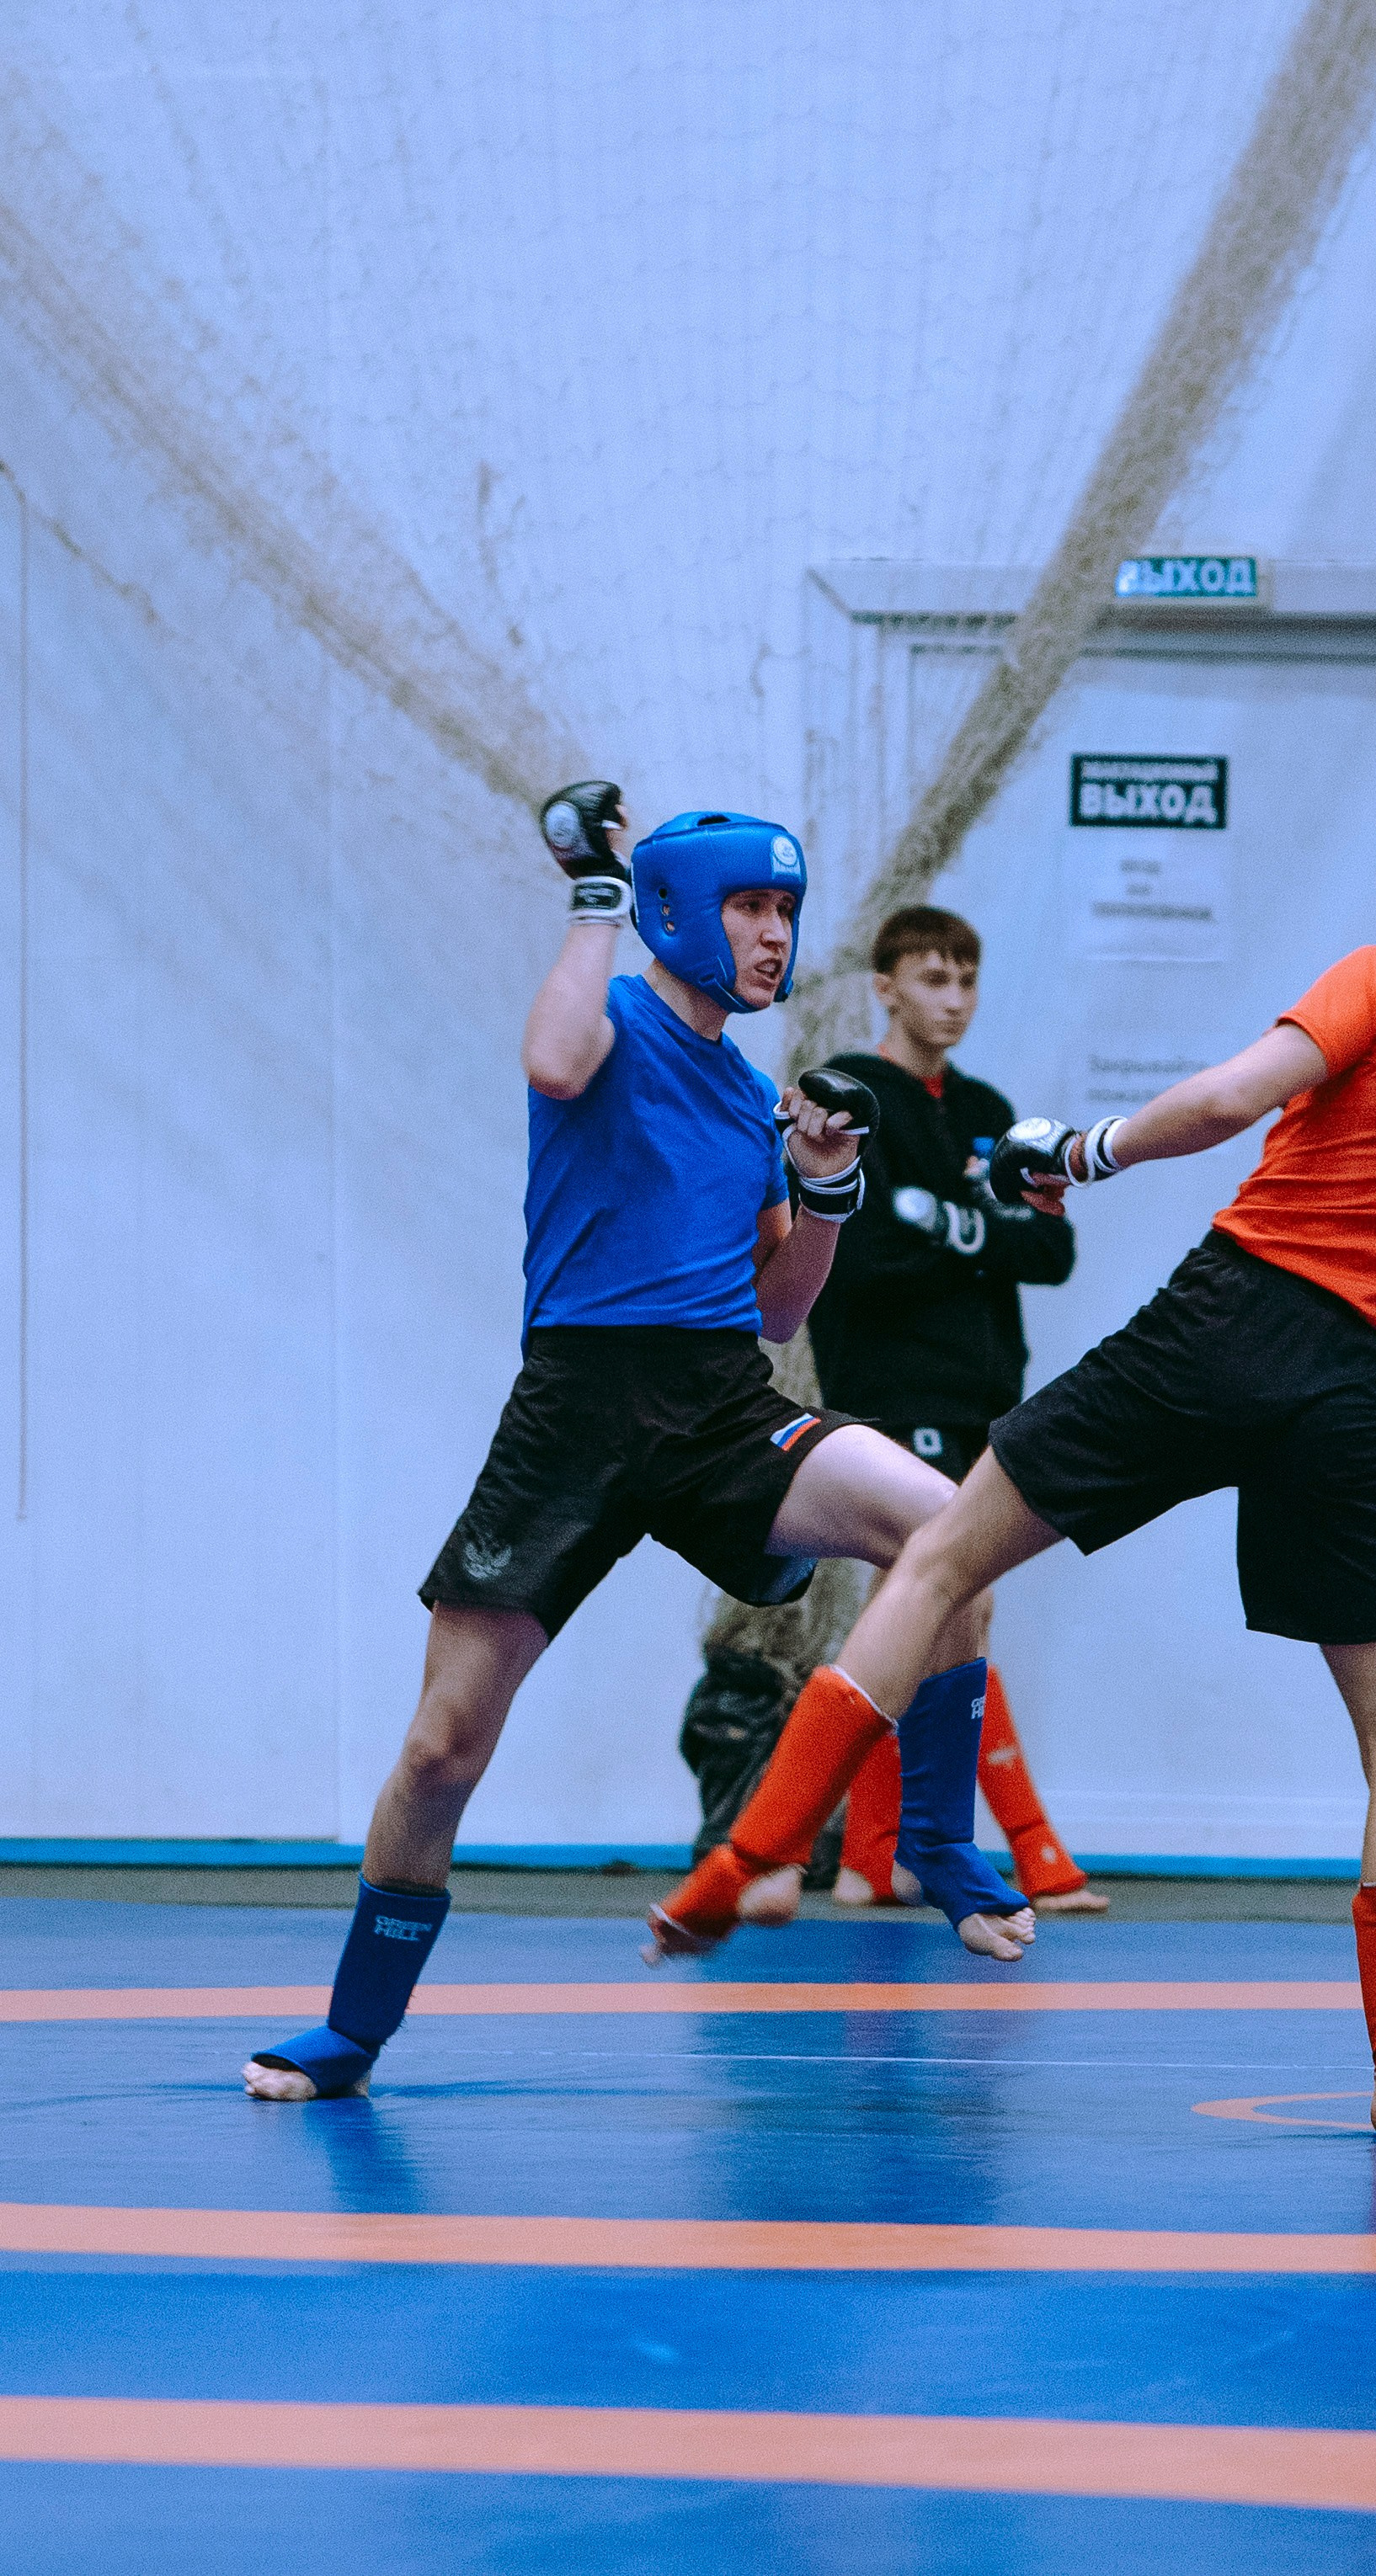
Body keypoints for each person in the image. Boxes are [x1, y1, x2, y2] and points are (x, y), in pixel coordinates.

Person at [653, 793, 1376, 2139]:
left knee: (940, 1558)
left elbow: (1223, 1102)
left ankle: (747, 1857)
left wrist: (1079, 1151)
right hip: (1351, 1389)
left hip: (1220, 1325)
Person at [243, 790, 1035, 2104]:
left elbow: (780, 1306)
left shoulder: (746, 1098)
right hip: (573, 1406)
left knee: (950, 1524)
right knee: (444, 1746)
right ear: (672, 911)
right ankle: (351, 2031)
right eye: (749, 907)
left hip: (720, 1399)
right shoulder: (605, 1018)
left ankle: (940, 1843)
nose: (775, 937)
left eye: (785, 910)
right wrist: (592, 902)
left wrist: (827, 1186)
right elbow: (551, 1065)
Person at [806, 903, 1104, 1916]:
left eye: (968, 980)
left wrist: (948, 1224)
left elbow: (1052, 1249)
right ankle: (1020, 1846)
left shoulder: (985, 1104)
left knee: (937, 1608)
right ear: (886, 985)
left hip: (983, 1392)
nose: (955, 1000)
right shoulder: (857, 1098)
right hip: (891, 1391)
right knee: (939, 1600)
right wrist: (980, 1230)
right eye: (934, 979)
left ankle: (871, 1858)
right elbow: (870, 1259)